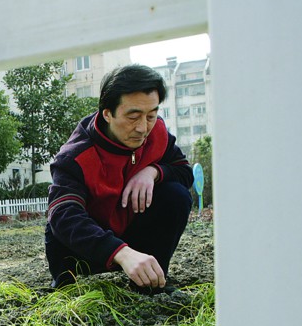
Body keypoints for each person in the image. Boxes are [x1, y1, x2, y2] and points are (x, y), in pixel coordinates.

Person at [45, 64, 193, 291]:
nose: (143, 128)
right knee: (61, 225)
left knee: (176, 195)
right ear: (107, 113)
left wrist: (153, 172)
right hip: (86, 249)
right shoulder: (75, 156)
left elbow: (184, 172)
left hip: (134, 234)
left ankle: (149, 283)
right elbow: (64, 216)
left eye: (151, 115)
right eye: (133, 117)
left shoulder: (158, 135)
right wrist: (119, 252)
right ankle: (64, 284)